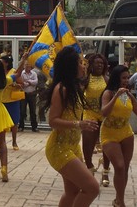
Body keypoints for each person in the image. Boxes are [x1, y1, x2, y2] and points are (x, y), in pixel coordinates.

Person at [39, 46, 99, 207]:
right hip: (59, 148)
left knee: (72, 192)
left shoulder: (75, 87)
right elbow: (53, 121)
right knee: (92, 188)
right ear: (71, 66)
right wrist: (79, 124)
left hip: (73, 146)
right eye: (80, 62)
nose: (84, 65)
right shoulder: (62, 89)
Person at [101, 65, 137, 207]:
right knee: (119, 166)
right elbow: (104, 112)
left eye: (128, 78)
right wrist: (116, 96)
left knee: (124, 168)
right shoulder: (108, 93)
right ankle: (120, 201)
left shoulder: (129, 96)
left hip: (126, 133)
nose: (127, 81)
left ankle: (118, 200)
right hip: (109, 133)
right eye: (124, 78)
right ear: (116, 78)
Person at [82, 53, 110, 187]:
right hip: (89, 114)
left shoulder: (107, 79)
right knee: (88, 143)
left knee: (107, 144)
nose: (100, 65)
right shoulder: (86, 79)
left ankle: (105, 170)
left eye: (102, 63)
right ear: (91, 65)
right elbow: (78, 94)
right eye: (97, 63)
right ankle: (89, 167)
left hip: (104, 115)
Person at [0, 55, 22, 150]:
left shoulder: (13, 72)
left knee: (14, 122)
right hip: (1, 100)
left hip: (12, 100)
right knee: (1, 123)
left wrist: (15, 85)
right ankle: (2, 142)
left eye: (2, 62)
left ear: (6, 63)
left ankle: (14, 142)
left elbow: (21, 84)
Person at [19, 62, 38, 133]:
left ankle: (34, 127)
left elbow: (36, 82)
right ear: (24, 66)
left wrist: (28, 82)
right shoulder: (21, 73)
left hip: (32, 94)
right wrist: (30, 83)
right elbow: (22, 83)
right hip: (24, 94)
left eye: (29, 66)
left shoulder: (34, 73)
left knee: (33, 110)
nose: (28, 67)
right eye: (26, 65)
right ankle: (21, 126)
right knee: (22, 110)